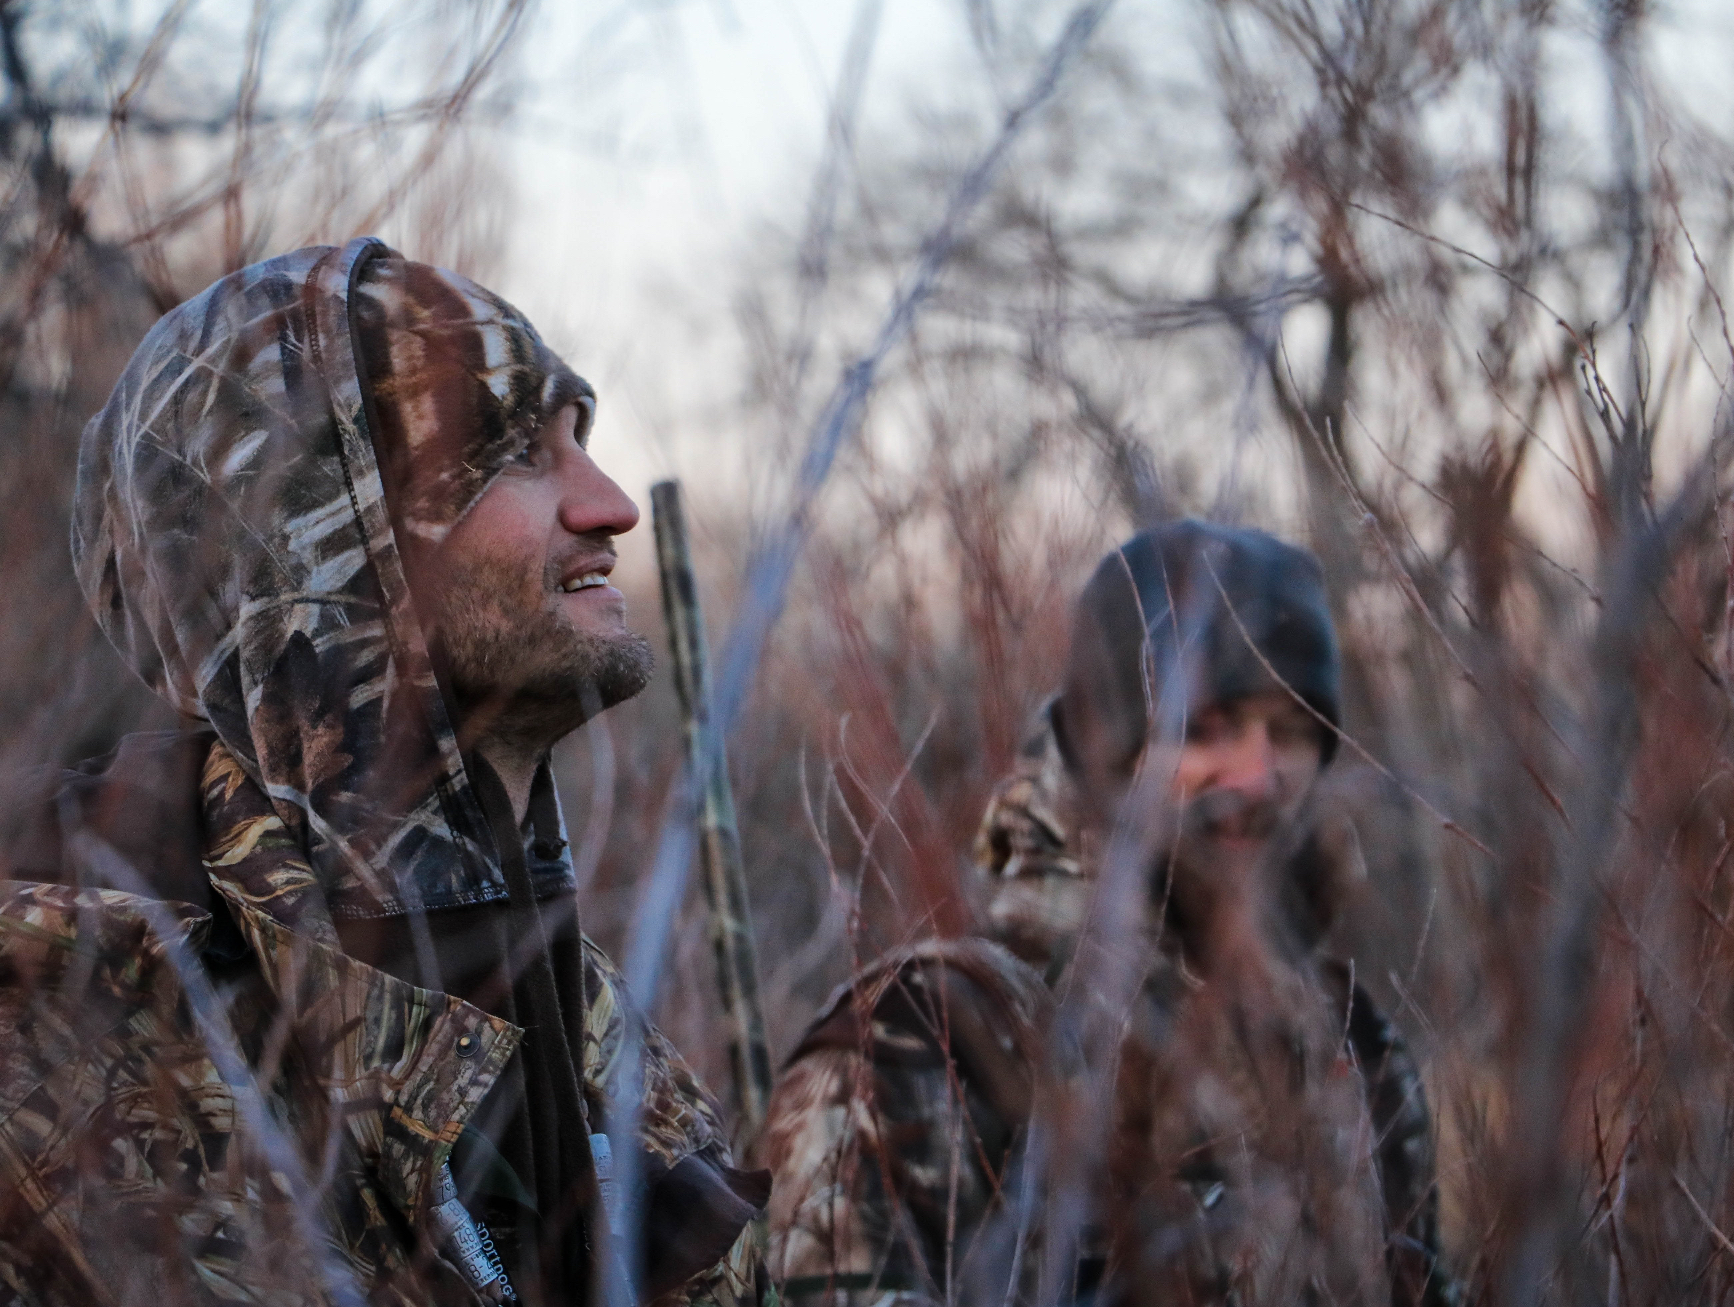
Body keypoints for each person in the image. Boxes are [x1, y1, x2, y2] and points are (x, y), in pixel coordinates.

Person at [0, 240, 765, 1307]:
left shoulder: (608, 1036)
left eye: (580, 440)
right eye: (513, 455)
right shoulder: (73, 1041)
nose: (610, 505)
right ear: (314, 546)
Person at [760, 520, 1454, 1307]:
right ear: (1108, 752)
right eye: (1208, 728)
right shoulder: (926, 1040)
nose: (1259, 775)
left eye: (1293, 730)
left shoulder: (1355, 1047)